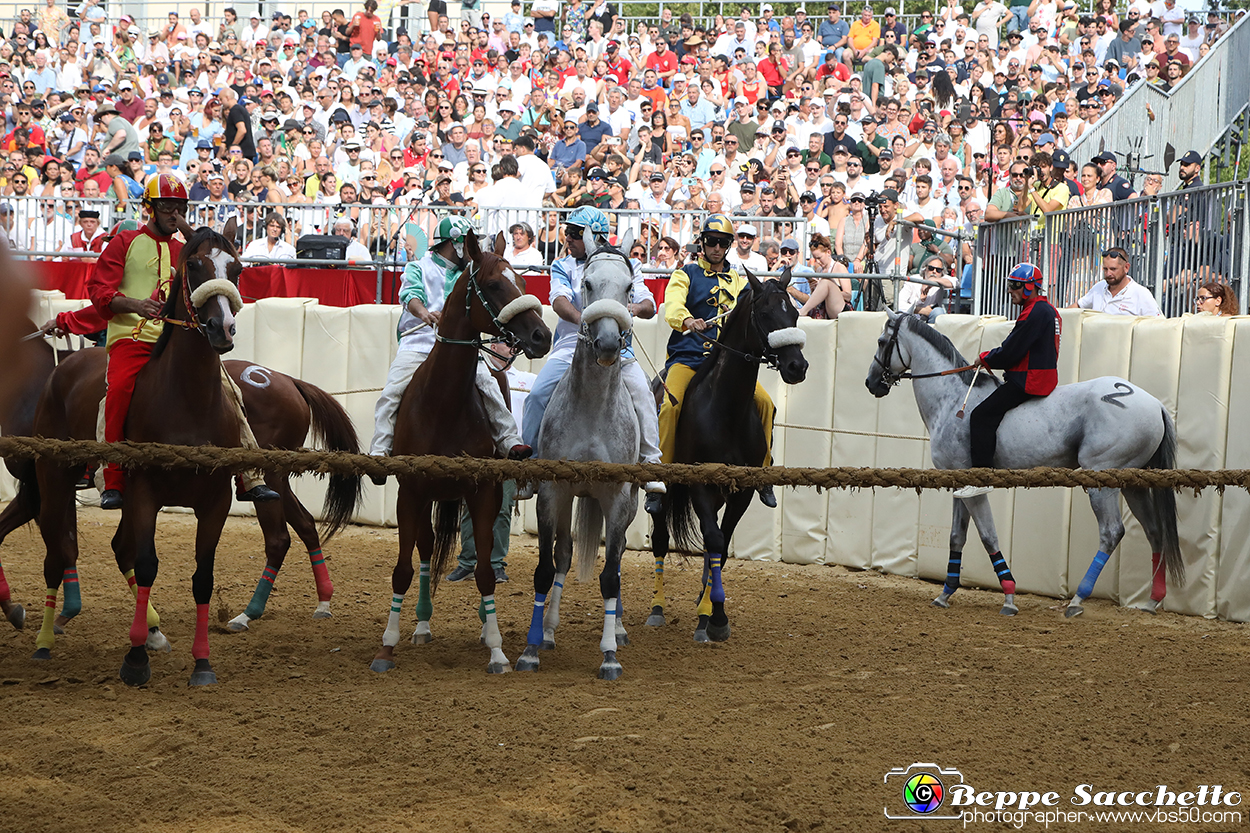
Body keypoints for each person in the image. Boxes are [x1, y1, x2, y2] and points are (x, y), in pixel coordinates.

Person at [85, 175, 278, 509]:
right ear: (150, 208)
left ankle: (249, 475)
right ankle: (112, 477)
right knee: (117, 391)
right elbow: (98, 291)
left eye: (179, 208)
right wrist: (134, 304)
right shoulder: (125, 242)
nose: (173, 214)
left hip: (174, 340)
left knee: (230, 390)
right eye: (166, 207)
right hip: (131, 338)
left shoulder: (187, 252)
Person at [518, 206, 664, 502]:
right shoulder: (563, 265)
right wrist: (586, 319)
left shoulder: (627, 265)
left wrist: (624, 311)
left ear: (593, 236)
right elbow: (559, 301)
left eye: (574, 233)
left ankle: (651, 465)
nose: (567, 238)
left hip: (619, 348)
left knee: (644, 395)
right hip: (570, 348)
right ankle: (529, 468)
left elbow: (648, 305)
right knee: (536, 396)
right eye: (567, 232)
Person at [368, 215, 530, 480]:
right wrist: (423, 313)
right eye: (466, 244)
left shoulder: (471, 274)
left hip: (461, 349)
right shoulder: (417, 268)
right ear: (453, 244)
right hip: (419, 344)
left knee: (489, 386)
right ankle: (380, 451)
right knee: (392, 391)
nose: (470, 249)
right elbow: (410, 295)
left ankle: (510, 440)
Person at [655, 214, 777, 512]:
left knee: (765, 404)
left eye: (723, 243)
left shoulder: (738, 279)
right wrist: (685, 319)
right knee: (670, 406)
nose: (717, 248)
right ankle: (659, 479)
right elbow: (672, 305)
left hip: (725, 365)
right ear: (702, 242)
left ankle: (763, 474)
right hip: (689, 358)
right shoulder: (685, 274)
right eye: (711, 241)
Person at [955, 263, 1060, 499]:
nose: (1010, 290)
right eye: (1009, 285)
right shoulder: (1048, 310)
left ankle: (981, 477)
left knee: (980, 416)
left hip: (1029, 381)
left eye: (1014, 286)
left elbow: (1011, 351)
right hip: (1042, 377)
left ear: (1029, 288)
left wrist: (985, 358)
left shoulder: (1034, 312)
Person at [1073, 247, 1162, 316]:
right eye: (1105, 269)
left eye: (1113, 269)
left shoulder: (1140, 293)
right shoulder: (1099, 287)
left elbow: (1157, 323)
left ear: (1126, 267)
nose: (1108, 273)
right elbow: (1078, 306)